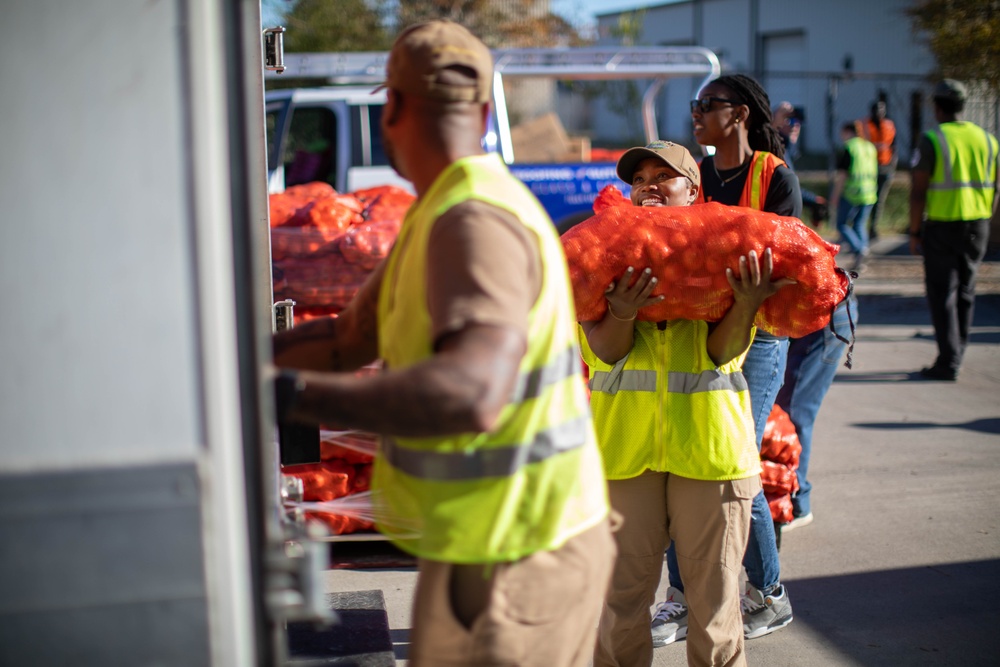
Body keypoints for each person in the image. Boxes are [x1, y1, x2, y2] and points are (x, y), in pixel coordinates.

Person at [271, 20, 615, 667]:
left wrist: (285, 395)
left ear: (391, 107)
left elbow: (473, 391)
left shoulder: (473, 220)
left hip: (523, 554)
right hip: (476, 542)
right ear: (485, 113)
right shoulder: (441, 210)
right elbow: (347, 339)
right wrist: (230, 362)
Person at [589, 140, 791, 667]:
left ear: (693, 190)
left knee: (715, 608)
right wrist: (624, 311)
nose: (649, 184)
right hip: (624, 453)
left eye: (665, 175)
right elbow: (604, 352)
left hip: (710, 453)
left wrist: (746, 302)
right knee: (620, 604)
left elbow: (723, 355)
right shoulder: (604, 254)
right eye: (639, 178)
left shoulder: (724, 251)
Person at [654, 74, 802, 645]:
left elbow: (787, 259)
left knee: (738, 457)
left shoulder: (774, 176)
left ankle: (768, 594)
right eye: (694, 106)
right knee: (674, 451)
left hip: (760, 336)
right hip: (697, 331)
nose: (695, 114)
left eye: (706, 106)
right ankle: (681, 599)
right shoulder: (694, 175)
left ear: (738, 114)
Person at [909, 79, 999, 381]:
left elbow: (918, 190)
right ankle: (956, 353)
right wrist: (985, 217)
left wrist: (914, 230)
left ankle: (948, 360)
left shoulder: (933, 139)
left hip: (943, 226)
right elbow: (996, 188)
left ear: (937, 107)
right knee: (966, 290)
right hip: (978, 224)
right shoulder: (988, 139)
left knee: (942, 292)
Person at [774, 293, 859, 531]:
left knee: (793, 413)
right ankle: (788, 497)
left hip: (820, 316)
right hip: (801, 313)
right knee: (786, 409)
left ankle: (795, 504)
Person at [830, 122, 879, 271]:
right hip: (869, 192)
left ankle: (859, 250)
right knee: (859, 224)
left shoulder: (849, 148)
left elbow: (843, 175)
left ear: (847, 131)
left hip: (852, 192)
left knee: (841, 224)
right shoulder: (869, 147)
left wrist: (835, 195)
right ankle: (862, 251)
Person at [772, 100, 828, 226]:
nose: (794, 126)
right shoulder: (774, 148)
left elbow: (788, 184)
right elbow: (786, 185)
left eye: (797, 122)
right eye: (789, 120)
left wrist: (813, 200)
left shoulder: (788, 149)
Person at [856, 98, 898, 240]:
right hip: (868, 167)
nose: (879, 112)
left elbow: (893, 147)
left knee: (879, 199)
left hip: (885, 167)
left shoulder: (889, 125)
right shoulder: (864, 125)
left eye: (882, 109)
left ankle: (873, 227)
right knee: (866, 199)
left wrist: (893, 165)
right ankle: (859, 226)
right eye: (876, 109)